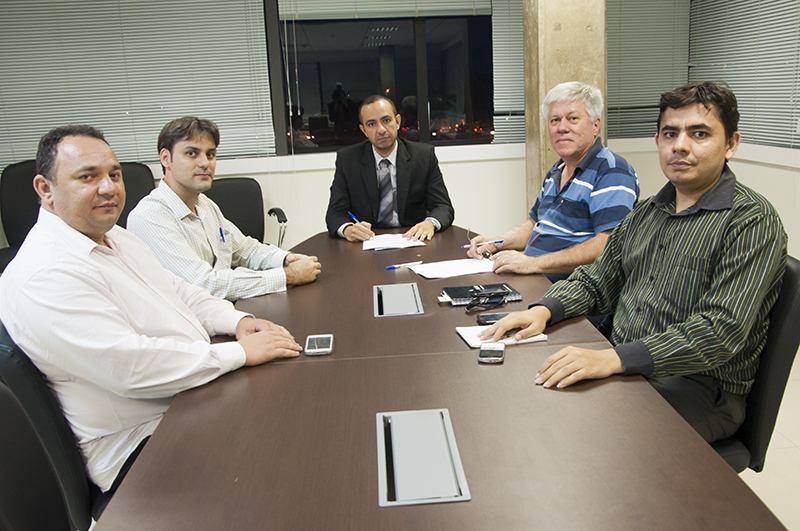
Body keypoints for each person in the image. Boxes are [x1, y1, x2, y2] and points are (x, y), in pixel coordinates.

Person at [0, 125, 304, 493]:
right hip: (144, 444)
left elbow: (179, 290)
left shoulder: (114, 236)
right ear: (45, 189)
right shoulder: (44, 273)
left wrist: (238, 320)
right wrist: (239, 353)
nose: (109, 188)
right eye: (88, 177)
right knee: (292, 447)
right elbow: (131, 367)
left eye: (114, 174)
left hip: (188, 395)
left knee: (298, 406)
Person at [481, 82, 787, 443]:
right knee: (529, 396)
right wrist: (544, 310)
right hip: (626, 361)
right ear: (657, 141)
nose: (680, 145)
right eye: (670, 134)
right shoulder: (647, 213)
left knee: (574, 435)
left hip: (699, 386)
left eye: (699, 134)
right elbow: (597, 280)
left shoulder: (751, 221)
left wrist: (614, 360)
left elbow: (720, 332)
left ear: (731, 144)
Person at [128, 117, 321, 301]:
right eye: (192, 153)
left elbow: (244, 249)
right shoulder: (150, 217)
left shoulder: (203, 203)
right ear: (165, 158)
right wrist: (287, 275)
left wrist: (287, 258)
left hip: (222, 310)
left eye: (210, 154)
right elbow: (204, 285)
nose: (205, 163)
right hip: (190, 320)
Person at [467, 82, 639, 282]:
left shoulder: (612, 171)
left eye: (572, 119)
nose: (562, 128)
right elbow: (535, 224)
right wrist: (495, 243)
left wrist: (533, 263)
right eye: (555, 120)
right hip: (536, 279)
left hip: (573, 291)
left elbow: (608, 244)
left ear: (595, 125)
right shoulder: (557, 170)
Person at [325, 95, 455, 242]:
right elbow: (335, 212)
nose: (381, 130)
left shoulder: (423, 156)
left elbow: (443, 206)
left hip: (412, 240)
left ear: (398, 121)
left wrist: (430, 223)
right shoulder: (348, 160)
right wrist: (348, 230)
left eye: (386, 120)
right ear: (364, 130)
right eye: (371, 124)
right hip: (367, 242)